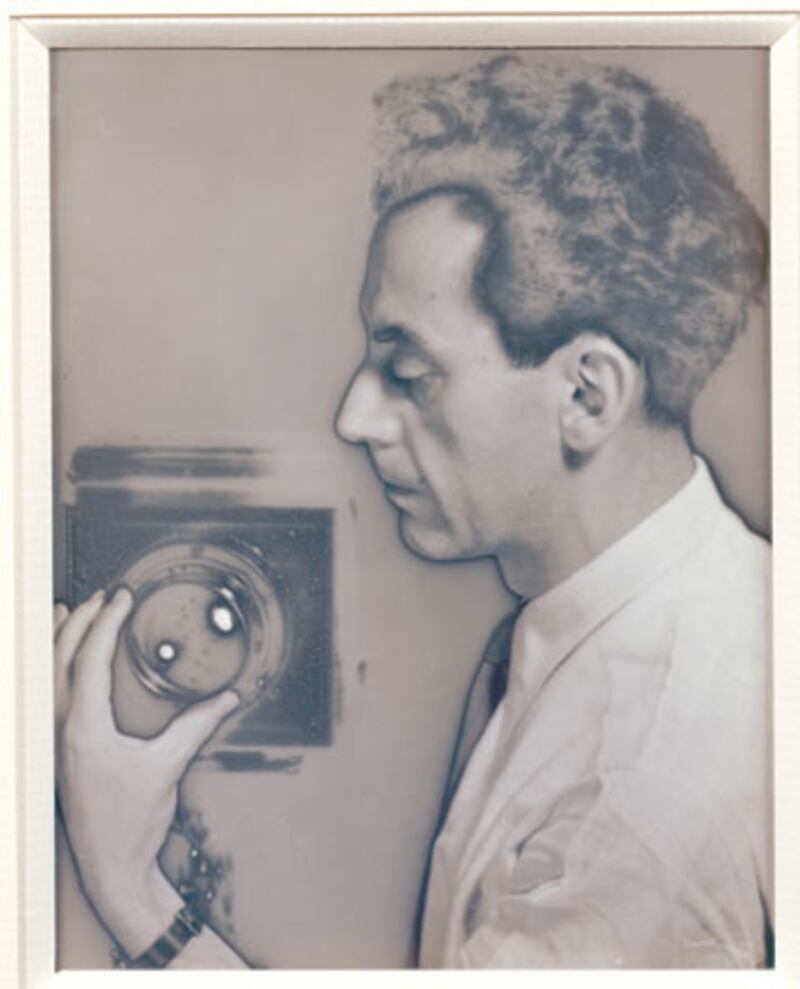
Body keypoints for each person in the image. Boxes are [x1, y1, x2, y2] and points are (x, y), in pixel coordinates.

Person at [54, 55, 771, 969]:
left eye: (409, 372)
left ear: (588, 394)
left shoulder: (634, 800)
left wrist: (130, 883)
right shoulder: (673, 610)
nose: (353, 417)